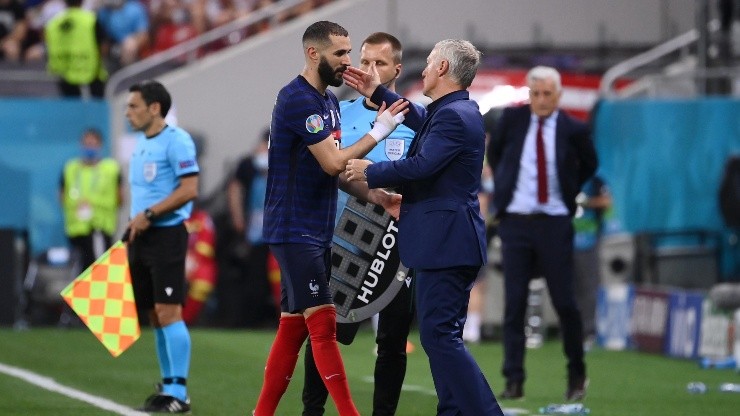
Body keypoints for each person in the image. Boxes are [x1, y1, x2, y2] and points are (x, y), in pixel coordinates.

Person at [253, 20, 407, 416]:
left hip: (316, 230)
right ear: (312, 53)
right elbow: (333, 161)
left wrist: (377, 196)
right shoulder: (298, 99)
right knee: (324, 326)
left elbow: (339, 175)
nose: (347, 62)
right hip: (293, 228)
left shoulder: (328, 102)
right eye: (340, 53)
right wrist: (380, 129)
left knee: (293, 328)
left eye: (347, 52)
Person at [344, 39, 504, 416]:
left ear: (444, 69)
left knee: (440, 338)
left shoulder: (453, 116)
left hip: (446, 244)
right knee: (439, 337)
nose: (426, 69)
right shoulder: (453, 112)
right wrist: (376, 91)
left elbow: (422, 166)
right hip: (448, 242)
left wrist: (372, 172)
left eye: (431, 63)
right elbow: (419, 119)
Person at [301, 31, 416, 416]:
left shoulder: (415, 123)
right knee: (326, 334)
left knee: (393, 340)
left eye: (379, 63)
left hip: (396, 247)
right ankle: (312, 411)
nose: (368, 70)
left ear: (396, 69)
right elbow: (325, 168)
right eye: (363, 61)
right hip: (341, 242)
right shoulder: (338, 112)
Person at [487, 65, 597, 401]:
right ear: (529, 94)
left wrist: (567, 193)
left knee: (565, 302)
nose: (541, 100)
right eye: (536, 93)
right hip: (516, 222)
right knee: (514, 303)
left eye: (548, 94)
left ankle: (577, 374)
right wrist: (505, 192)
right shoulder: (512, 121)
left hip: (554, 222)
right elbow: (495, 154)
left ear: (559, 96)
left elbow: (589, 164)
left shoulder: (573, 129)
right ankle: (514, 380)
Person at [124, 80, 199, 413]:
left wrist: (150, 214)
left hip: (167, 235)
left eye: (133, 106)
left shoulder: (177, 141)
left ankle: (179, 393)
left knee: (169, 311)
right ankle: (167, 384)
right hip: (142, 236)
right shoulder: (141, 143)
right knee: (154, 313)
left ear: (154, 108)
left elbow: (189, 189)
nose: (128, 113)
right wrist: (135, 221)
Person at [224, 128, 279, 326]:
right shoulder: (248, 165)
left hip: (281, 232)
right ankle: (252, 319)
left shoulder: (287, 162)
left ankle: (279, 318)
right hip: (256, 232)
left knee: (278, 278)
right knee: (255, 277)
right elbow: (235, 188)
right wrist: (238, 218)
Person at [59, 127, 122, 271]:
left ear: (100, 145)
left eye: (93, 143)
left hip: (99, 228)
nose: (89, 147)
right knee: (79, 270)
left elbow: (120, 197)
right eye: (86, 143)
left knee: (98, 270)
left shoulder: (111, 168)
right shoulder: (70, 168)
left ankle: (99, 295)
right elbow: (62, 194)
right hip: (76, 229)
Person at [573, 175, 612, 351]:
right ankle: (572, 331)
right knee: (569, 289)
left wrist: (585, 202)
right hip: (564, 242)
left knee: (588, 288)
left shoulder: (595, 181)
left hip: (588, 241)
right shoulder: (562, 176)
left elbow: (606, 202)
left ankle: (588, 332)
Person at [45, 0, 109, 98]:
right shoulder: (91, 20)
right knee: (95, 110)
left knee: (71, 109)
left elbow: (48, 47)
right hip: (91, 73)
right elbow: (103, 46)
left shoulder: (53, 23)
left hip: (64, 74)